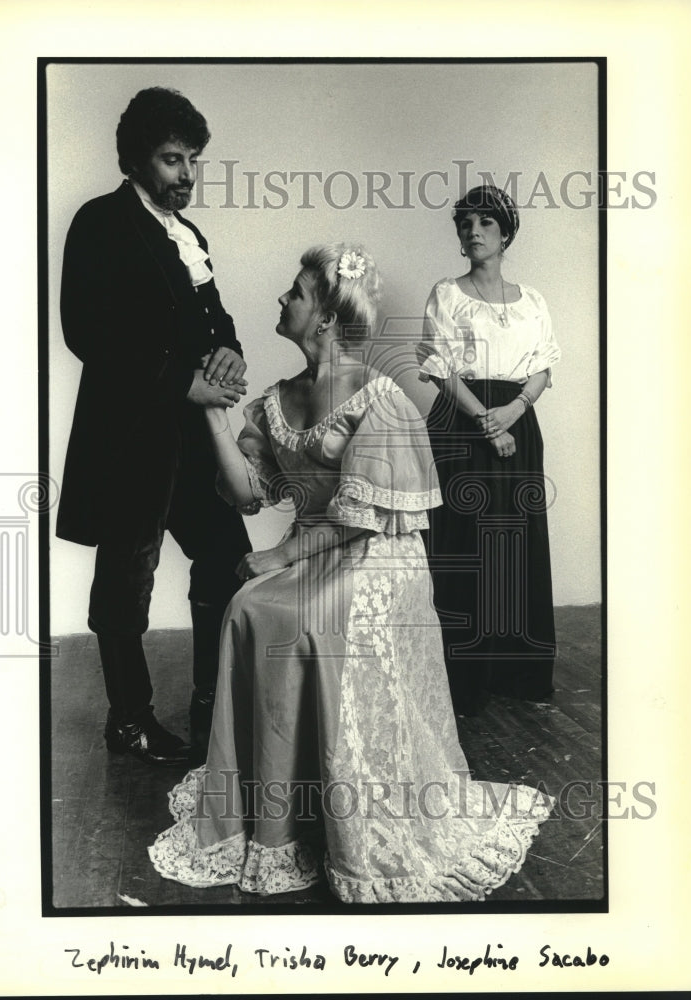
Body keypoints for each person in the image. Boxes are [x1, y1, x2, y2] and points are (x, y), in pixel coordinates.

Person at [148, 243, 553, 903]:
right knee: (249, 607)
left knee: (299, 616)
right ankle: (279, 807)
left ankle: (341, 807)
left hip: (378, 555)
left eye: (296, 293)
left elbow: (367, 518)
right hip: (316, 547)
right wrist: (215, 420)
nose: (283, 301)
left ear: (328, 317)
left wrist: (280, 556)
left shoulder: (380, 396)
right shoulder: (282, 397)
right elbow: (247, 492)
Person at [56, 87, 252, 766]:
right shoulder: (100, 223)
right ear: (137, 159)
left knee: (226, 560)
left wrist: (229, 348)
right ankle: (129, 719)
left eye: (192, 160)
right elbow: (87, 333)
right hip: (129, 435)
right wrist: (180, 381)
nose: (186, 175)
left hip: (191, 437)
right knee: (126, 580)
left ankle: (211, 696)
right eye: (173, 160)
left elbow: (212, 316)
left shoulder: (188, 235)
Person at [418, 185, 561, 716]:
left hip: (519, 422)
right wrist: (485, 420)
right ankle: (463, 679)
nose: (473, 232)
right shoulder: (447, 295)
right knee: (466, 542)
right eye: (465, 224)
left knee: (516, 539)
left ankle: (517, 671)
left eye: (485, 223)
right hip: (463, 422)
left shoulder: (534, 300)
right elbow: (441, 367)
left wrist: (515, 412)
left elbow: (544, 365)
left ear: (505, 234)